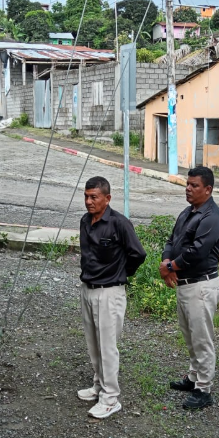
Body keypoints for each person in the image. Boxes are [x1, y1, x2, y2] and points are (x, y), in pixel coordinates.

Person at [78, 176, 146, 419]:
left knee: (107, 346)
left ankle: (110, 398)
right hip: (88, 289)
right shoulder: (85, 221)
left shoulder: (119, 223)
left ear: (107, 198)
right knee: (93, 343)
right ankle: (98, 385)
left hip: (109, 292)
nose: (89, 201)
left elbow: (138, 254)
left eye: (94, 197)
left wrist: (120, 273)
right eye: (86, 196)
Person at [161, 167, 219, 410]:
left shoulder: (213, 217)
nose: (188, 189)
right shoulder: (187, 212)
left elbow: (197, 252)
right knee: (190, 336)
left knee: (202, 339)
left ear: (208, 189)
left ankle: (204, 389)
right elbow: (172, 241)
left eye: (194, 185)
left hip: (202, 285)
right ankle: (193, 377)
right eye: (187, 184)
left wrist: (170, 266)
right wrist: (166, 263)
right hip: (185, 284)